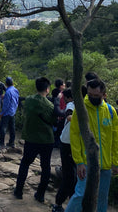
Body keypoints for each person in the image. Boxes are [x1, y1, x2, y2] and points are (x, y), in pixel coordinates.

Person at [65, 78, 118, 212]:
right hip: (86, 162)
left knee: (102, 197)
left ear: (104, 94)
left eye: (96, 95)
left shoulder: (111, 112)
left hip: (105, 164)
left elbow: (115, 139)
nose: (93, 98)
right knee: (80, 194)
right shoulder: (81, 110)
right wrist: (79, 162)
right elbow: (75, 135)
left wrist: (115, 161)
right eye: (90, 95)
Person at [14, 77, 56, 203]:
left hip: (31, 138)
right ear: (47, 89)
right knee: (46, 167)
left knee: (25, 163)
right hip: (46, 140)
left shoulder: (29, 100)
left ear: (36, 87)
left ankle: (19, 191)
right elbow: (53, 121)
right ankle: (40, 194)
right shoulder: (50, 105)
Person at [52, 88, 76, 212]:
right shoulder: (72, 105)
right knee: (70, 175)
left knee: (71, 176)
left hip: (70, 143)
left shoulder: (72, 104)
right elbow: (69, 114)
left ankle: (63, 203)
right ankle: (60, 204)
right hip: (68, 143)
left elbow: (68, 114)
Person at [0, 76, 19, 148]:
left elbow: (6, 105)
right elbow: (17, 101)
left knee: (3, 128)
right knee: (12, 128)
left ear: (6, 84)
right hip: (13, 112)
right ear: (12, 83)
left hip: (7, 113)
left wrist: (1, 113)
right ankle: (11, 143)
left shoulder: (8, 92)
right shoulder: (16, 90)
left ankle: (1, 144)